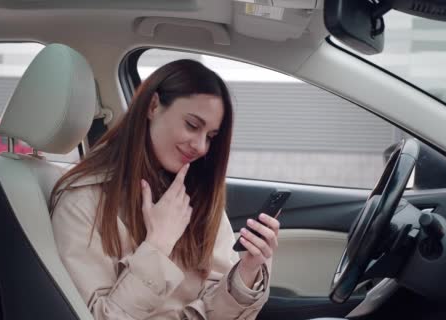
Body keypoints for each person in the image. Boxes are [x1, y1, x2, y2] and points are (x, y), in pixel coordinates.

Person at [50, 59, 281, 320]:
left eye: (210, 137)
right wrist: (157, 246)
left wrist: (246, 273)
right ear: (153, 106)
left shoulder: (192, 194)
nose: (201, 147)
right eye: (192, 125)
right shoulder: (82, 202)